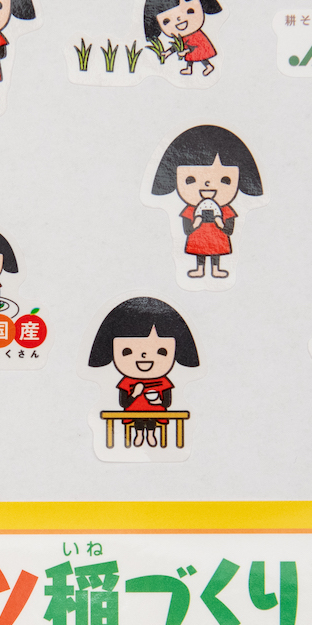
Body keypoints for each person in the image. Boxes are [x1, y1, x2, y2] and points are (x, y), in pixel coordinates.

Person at [150, 125, 263, 278]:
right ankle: (200, 269)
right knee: (200, 252)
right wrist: (196, 222)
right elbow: (187, 230)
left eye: (225, 180)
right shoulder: (190, 210)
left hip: (218, 239)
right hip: (198, 239)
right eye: (191, 179)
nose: (207, 184)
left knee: (216, 251)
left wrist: (220, 223)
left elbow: (229, 230)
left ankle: (216, 269)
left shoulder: (226, 210)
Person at [88, 297, 200, 447]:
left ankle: (151, 434)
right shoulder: (126, 383)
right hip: (133, 413)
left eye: (161, 351)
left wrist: (159, 402)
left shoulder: (164, 382)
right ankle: (140, 433)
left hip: (156, 412)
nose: (144, 356)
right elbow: (123, 402)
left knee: (152, 419)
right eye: (127, 351)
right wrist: (135, 393)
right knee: (139, 420)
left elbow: (167, 401)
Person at [143, 0, 222, 76]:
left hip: (199, 49)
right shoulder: (182, 37)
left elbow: (196, 46)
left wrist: (186, 51)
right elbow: (176, 46)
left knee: (198, 56)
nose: (179, 19)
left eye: (190, 11)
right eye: (167, 21)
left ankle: (208, 66)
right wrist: (167, 53)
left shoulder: (196, 35)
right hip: (190, 51)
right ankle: (189, 68)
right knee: (191, 57)